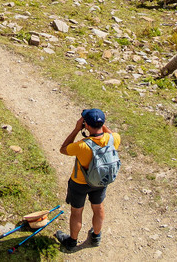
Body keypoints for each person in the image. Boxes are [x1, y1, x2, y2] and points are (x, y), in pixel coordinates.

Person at [56, 108, 119, 252]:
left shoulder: (82, 145)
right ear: (103, 123)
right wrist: (100, 125)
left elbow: (63, 149)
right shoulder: (114, 138)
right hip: (101, 181)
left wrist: (76, 129)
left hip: (79, 183)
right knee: (98, 207)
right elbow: (109, 134)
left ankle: (72, 241)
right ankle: (96, 237)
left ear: (86, 125)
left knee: (77, 212)